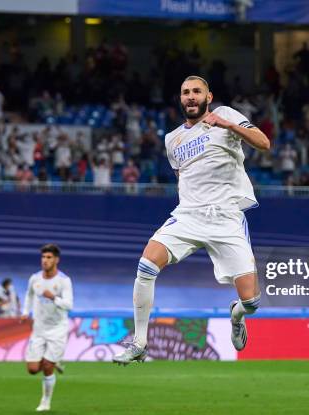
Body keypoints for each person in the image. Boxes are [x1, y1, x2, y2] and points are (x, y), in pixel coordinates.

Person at [113, 76, 270, 364]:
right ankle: (139, 342)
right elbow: (183, 176)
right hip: (188, 215)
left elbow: (264, 143)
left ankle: (236, 315)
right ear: (180, 99)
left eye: (197, 91)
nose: (191, 96)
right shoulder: (171, 139)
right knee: (146, 264)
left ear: (209, 96)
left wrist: (231, 127)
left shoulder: (226, 115)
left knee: (252, 301)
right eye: (185, 92)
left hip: (225, 217)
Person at [21, 244, 73, 412]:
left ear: (56, 260)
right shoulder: (35, 279)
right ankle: (53, 360)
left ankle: (45, 401)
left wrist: (54, 298)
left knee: (47, 366)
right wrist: (25, 311)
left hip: (57, 329)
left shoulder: (64, 281)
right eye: (43, 257)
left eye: (49, 257)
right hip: (39, 329)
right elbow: (28, 295)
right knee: (32, 369)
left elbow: (69, 305)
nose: (45, 260)